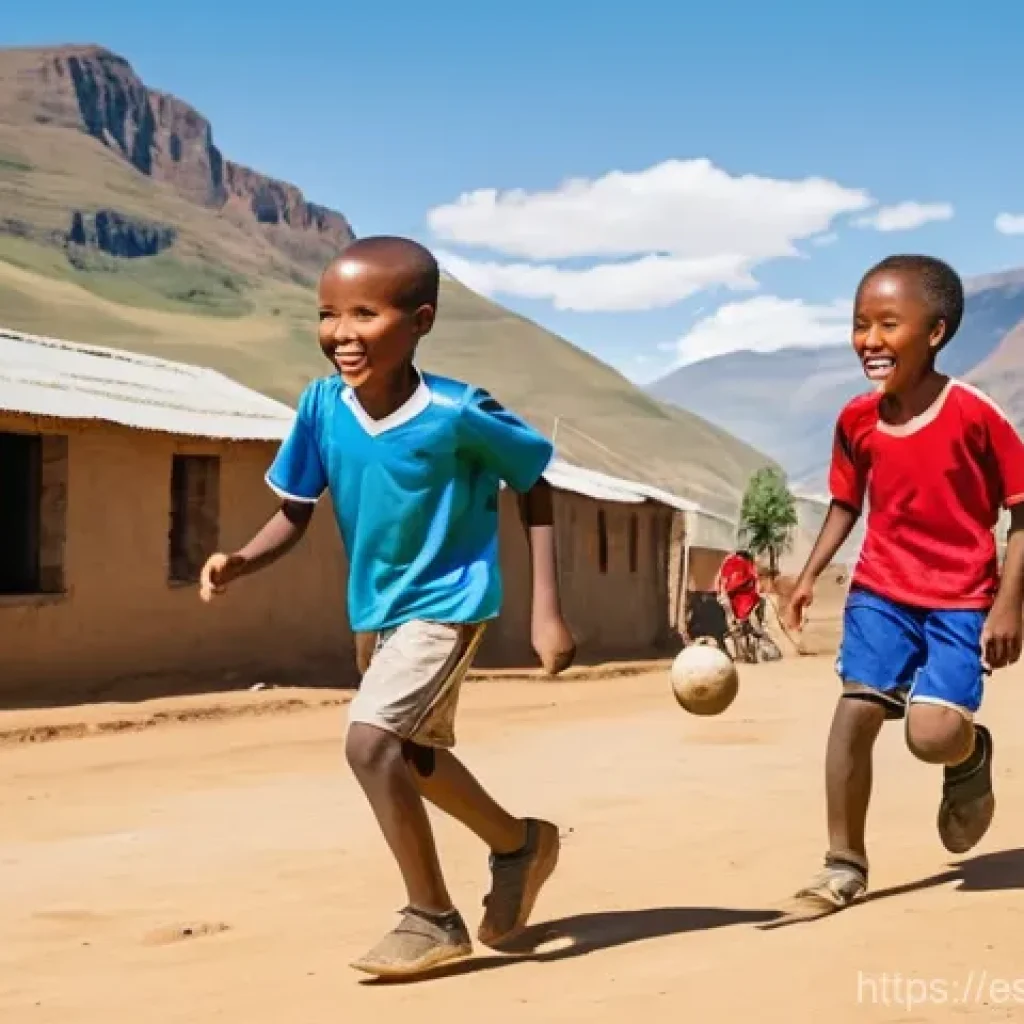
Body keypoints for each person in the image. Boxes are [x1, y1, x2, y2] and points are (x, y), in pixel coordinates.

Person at [198, 236, 577, 977]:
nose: (341, 333)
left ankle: (431, 916)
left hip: (449, 603)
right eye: (328, 314)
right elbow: (297, 510)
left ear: (421, 321)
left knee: (369, 743)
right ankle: (518, 843)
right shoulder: (320, 406)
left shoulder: (457, 412)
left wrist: (546, 610)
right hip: (376, 613)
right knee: (416, 757)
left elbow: (533, 482)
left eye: (364, 314)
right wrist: (241, 559)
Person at [781, 254, 1024, 918]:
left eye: (889, 324)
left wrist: (1010, 604)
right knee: (854, 712)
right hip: (882, 590)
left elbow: (1022, 509)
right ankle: (842, 866)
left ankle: (968, 758)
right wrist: (805, 579)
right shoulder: (857, 420)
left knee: (931, 736)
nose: (870, 340)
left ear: (935, 332)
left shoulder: (976, 415)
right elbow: (845, 505)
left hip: (961, 598)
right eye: (861, 324)